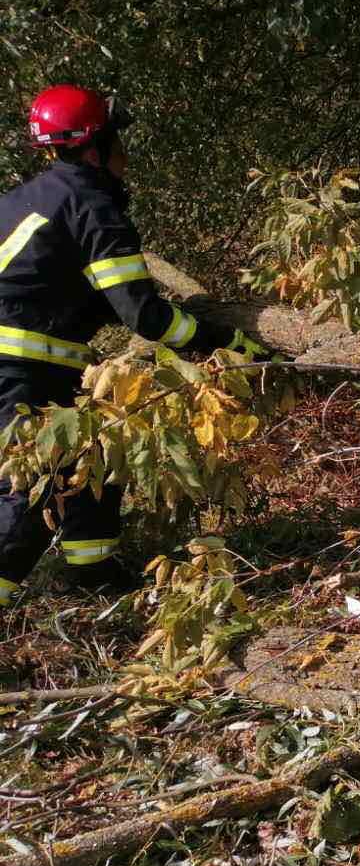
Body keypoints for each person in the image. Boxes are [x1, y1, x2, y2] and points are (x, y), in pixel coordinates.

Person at [0, 85, 270, 605]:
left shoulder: (25, 200)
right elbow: (146, 318)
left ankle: (90, 569)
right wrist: (220, 337)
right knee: (31, 487)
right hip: (18, 370)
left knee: (94, 452)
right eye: (118, 139)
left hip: (31, 369)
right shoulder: (93, 204)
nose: (126, 153)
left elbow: (49, 286)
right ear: (95, 148)